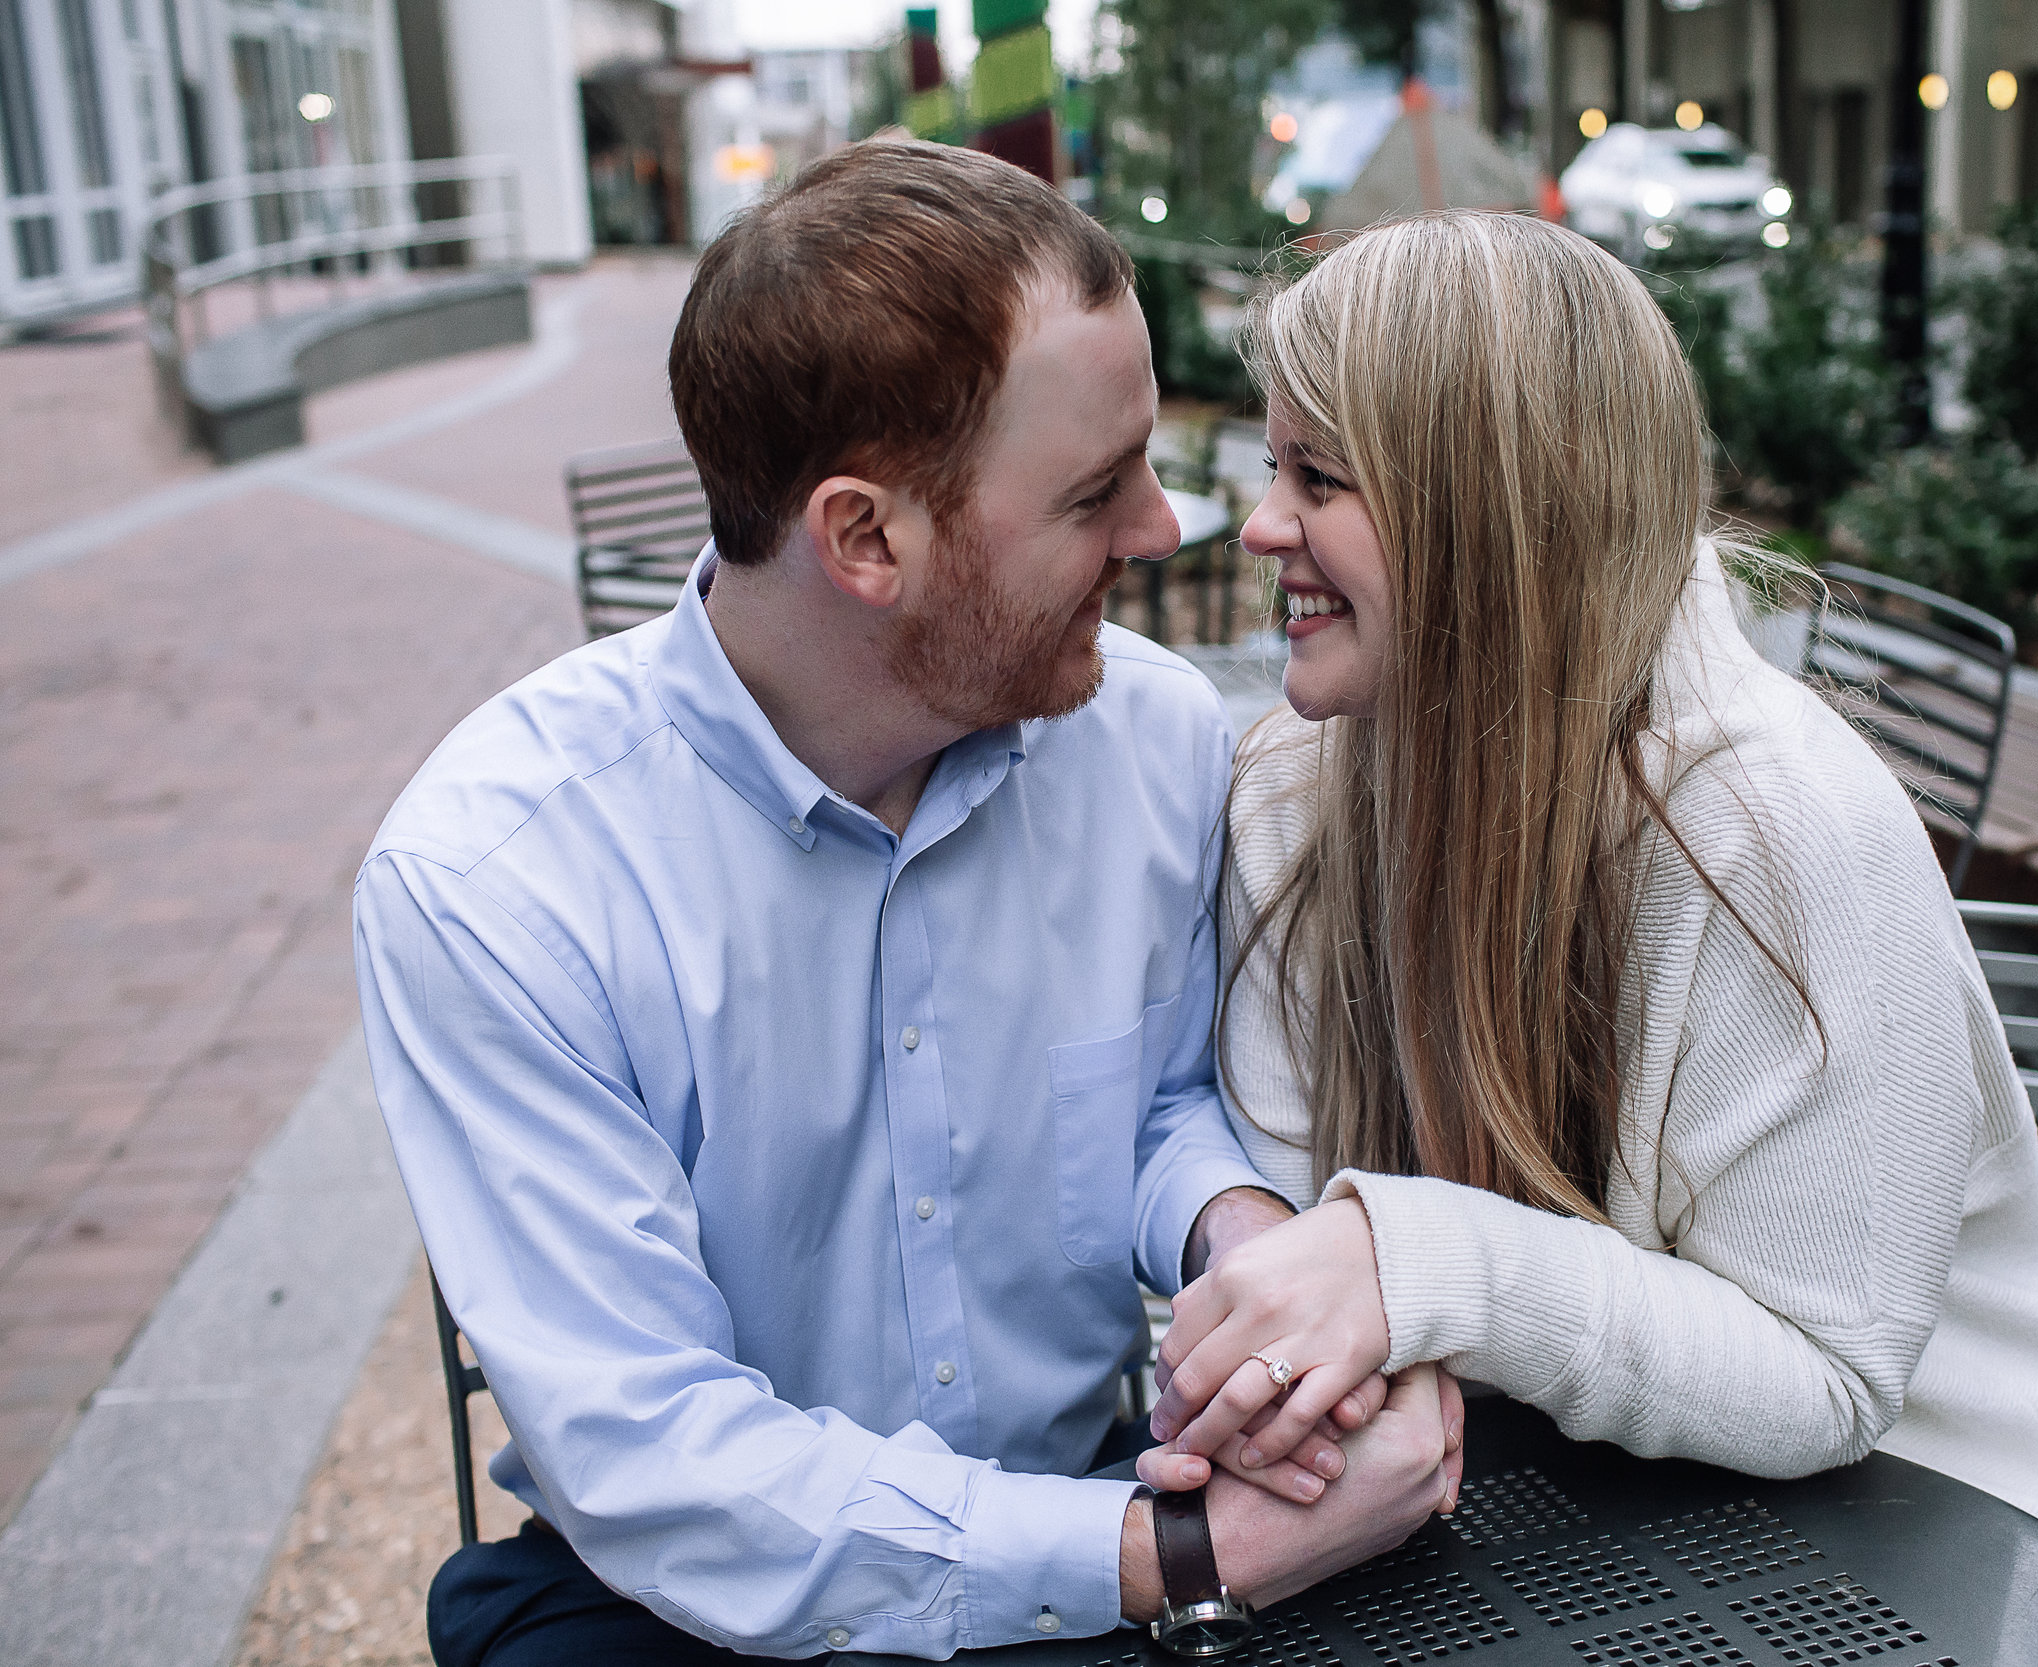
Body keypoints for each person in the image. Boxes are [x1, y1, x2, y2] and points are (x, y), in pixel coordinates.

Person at [354, 141, 1459, 1666]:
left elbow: (1158, 1106)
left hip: (1088, 1497)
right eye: (1095, 491)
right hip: (680, 1609)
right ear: (866, 538)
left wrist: (1257, 1257)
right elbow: (657, 1461)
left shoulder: (1149, 737)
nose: (1163, 530)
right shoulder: (499, 882)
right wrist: (1182, 1551)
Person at [1144, 212, 2038, 1630]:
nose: (1262, 523)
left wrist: (1419, 1268)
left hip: (1973, 1568)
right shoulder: (1294, 787)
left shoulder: (1784, 827)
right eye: (1274, 469)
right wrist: (1296, 1354)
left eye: (1320, 477)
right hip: (1566, 1539)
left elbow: (1829, 1377)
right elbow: (1313, 1240)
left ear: (1498, 507)